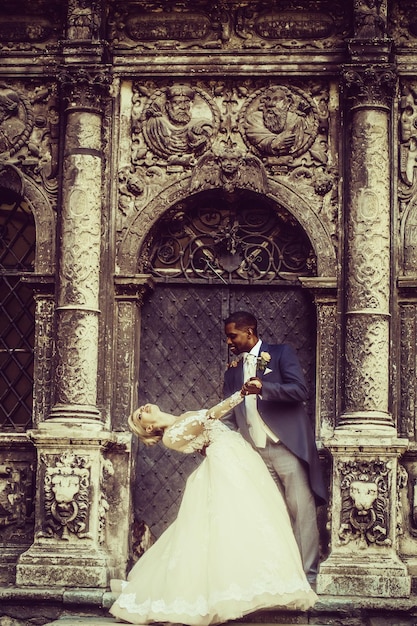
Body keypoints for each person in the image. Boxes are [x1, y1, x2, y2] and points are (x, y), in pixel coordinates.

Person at [109, 387, 317, 626]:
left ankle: (254, 581)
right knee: (230, 523)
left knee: (253, 520)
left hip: (238, 458)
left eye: (139, 410)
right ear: (147, 428)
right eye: (138, 416)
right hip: (225, 466)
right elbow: (210, 416)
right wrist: (242, 393)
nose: (141, 409)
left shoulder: (180, 420)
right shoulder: (170, 436)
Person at [223, 311, 327, 586]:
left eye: (233, 335)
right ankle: (273, 576)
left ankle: (308, 577)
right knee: (266, 514)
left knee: (300, 512)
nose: (229, 341)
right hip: (253, 452)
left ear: (250, 332)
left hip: (285, 447)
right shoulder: (232, 371)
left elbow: (299, 390)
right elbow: (229, 412)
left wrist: (264, 387)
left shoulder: (280, 354)